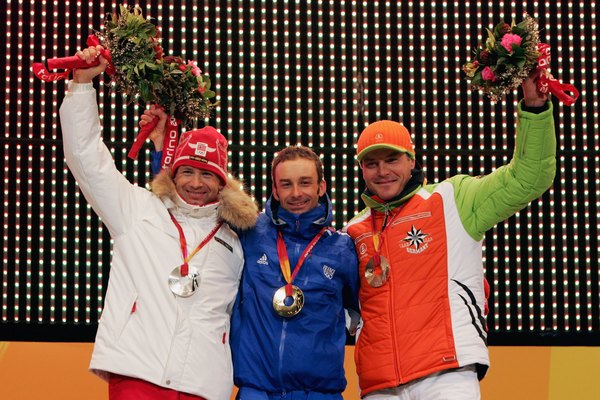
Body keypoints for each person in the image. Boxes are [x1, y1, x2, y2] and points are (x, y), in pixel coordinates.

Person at [59, 45, 257, 400]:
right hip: (138, 373)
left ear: (223, 183)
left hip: (203, 382)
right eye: (188, 172)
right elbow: (86, 157)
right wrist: (82, 85)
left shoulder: (239, 239)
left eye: (207, 175)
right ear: (174, 173)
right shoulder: (137, 209)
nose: (196, 183)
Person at [342, 71, 556, 399]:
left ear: (411, 161)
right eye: (371, 163)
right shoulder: (352, 231)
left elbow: (528, 177)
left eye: (392, 160)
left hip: (446, 374)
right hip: (379, 383)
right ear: (361, 169)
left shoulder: (452, 199)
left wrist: (535, 106)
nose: (382, 171)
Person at [230, 145, 360, 399]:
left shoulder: (343, 248)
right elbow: (190, 215)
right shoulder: (250, 232)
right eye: (286, 184)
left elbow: (371, 311)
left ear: (321, 187)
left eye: (305, 183)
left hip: (321, 393)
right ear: (275, 190)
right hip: (257, 391)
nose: (296, 193)